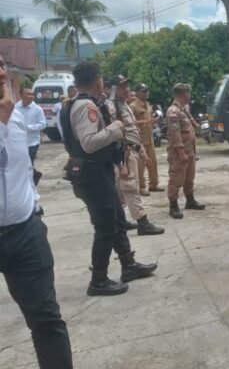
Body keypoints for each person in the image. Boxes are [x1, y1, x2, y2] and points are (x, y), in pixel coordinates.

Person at [0, 55, 76, 369]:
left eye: (2, 65)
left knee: (47, 321)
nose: (2, 72)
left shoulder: (18, 118)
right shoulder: (7, 118)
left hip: (25, 233)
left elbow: (21, 169)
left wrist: (35, 209)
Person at [59, 62, 157, 296]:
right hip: (91, 174)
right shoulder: (85, 106)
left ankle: (128, 265)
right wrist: (115, 129)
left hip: (97, 172)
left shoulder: (84, 103)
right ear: (97, 81)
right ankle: (99, 279)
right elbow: (89, 143)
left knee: (117, 219)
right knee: (105, 227)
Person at [106, 75, 165, 236]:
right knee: (131, 188)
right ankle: (142, 222)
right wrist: (121, 162)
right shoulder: (111, 107)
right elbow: (115, 136)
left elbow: (132, 132)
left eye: (126, 86)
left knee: (121, 190)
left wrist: (142, 152)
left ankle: (119, 221)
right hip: (124, 153)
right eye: (122, 87)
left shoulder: (123, 105)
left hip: (132, 150)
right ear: (113, 89)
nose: (126, 89)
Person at [166, 83, 205, 219]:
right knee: (176, 179)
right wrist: (181, 152)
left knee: (189, 178)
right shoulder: (173, 111)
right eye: (188, 93)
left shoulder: (183, 110)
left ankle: (190, 200)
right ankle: (173, 206)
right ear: (184, 94)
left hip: (189, 152)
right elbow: (175, 133)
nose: (190, 95)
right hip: (179, 154)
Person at [130, 83, 164, 195]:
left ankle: (153, 184)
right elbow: (131, 123)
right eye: (144, 91)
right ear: (137, 92)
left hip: (150, 138)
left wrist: (154, 121)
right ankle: (141, 187)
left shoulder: (148, 105)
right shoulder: (133, 106)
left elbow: (149, 119)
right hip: (139, 140)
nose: (146, 93)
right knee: (140, 165)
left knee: (152, 163)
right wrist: (146, 122)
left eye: (147, 91)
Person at [14, 88, 46, 185]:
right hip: (18, 141)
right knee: (21, 163)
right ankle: (35, 174)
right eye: (28, 94)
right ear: (21, 95)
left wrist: (28, 128)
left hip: (32, 141)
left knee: (29, 161)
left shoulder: (37, 109)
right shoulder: (15, 107)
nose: (31, 96)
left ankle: (29, 183)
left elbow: (43, 124)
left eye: (32, 94)